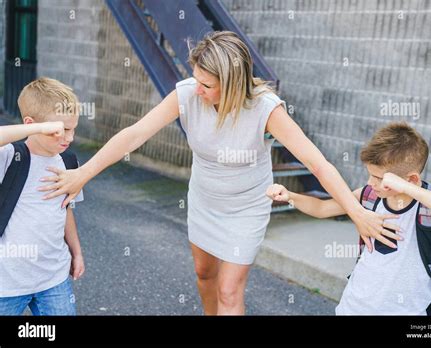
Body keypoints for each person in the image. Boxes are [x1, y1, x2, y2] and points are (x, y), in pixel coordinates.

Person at [38, 31, 400, 315]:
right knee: (204, 276)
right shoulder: (187, 95)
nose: (198, 88)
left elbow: (318, 164)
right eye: (196, 78)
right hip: (205, 200)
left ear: (233, 83)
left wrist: (357, 212)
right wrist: (82, 173)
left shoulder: (265, 109)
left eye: (207, 84)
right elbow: (134, 134)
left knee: (230, 289)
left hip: (247, 207)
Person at [267, 122, 431, 315]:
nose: (370, 182)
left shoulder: (430, 208)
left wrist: (407, 188)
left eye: (378, 178)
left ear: (410, 179)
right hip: (352, 307)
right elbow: (322, 208)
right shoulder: (369, 195)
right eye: (370, 175)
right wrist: (290, 197)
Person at [0, 77, 85, 315]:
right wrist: (37, 128)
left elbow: (66, 209)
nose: (69, 138)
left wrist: (76, 252)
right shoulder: (9, 157)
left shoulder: (68, 161)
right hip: (7, 282)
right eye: (60, 130)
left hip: (53, 279)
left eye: (72, 129)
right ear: (31, 124)